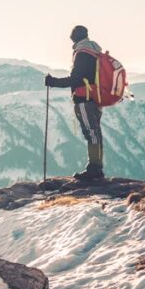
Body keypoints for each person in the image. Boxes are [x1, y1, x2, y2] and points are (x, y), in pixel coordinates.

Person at [45, 25, 105, 181]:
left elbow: (76, 79)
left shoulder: (82, 53)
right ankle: (96, 167)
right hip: (96, 98)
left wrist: (53, 82)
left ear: (74, 37)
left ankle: (94, 169)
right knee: (96, 132)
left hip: (84, 99)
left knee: (91, 133)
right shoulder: (94, 52)